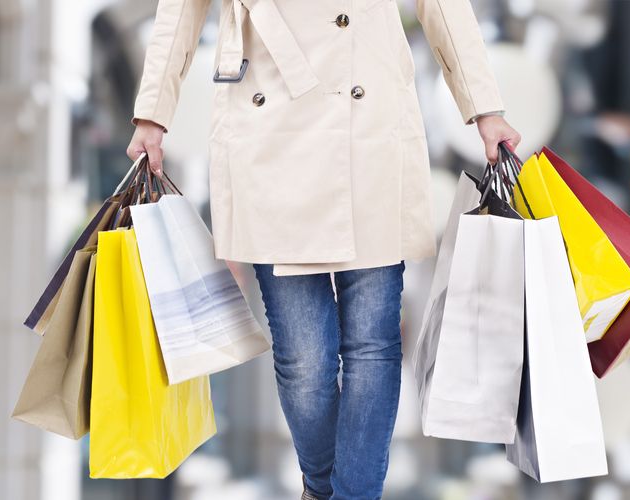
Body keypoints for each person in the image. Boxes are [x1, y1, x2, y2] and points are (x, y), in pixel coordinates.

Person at [126, 1, 520, 498]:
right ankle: (320, 487)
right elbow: (180, 11)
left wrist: (485, 108)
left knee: (373, 344)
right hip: (267, 124)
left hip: (368, 124)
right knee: (304, 358)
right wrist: (153, 116)